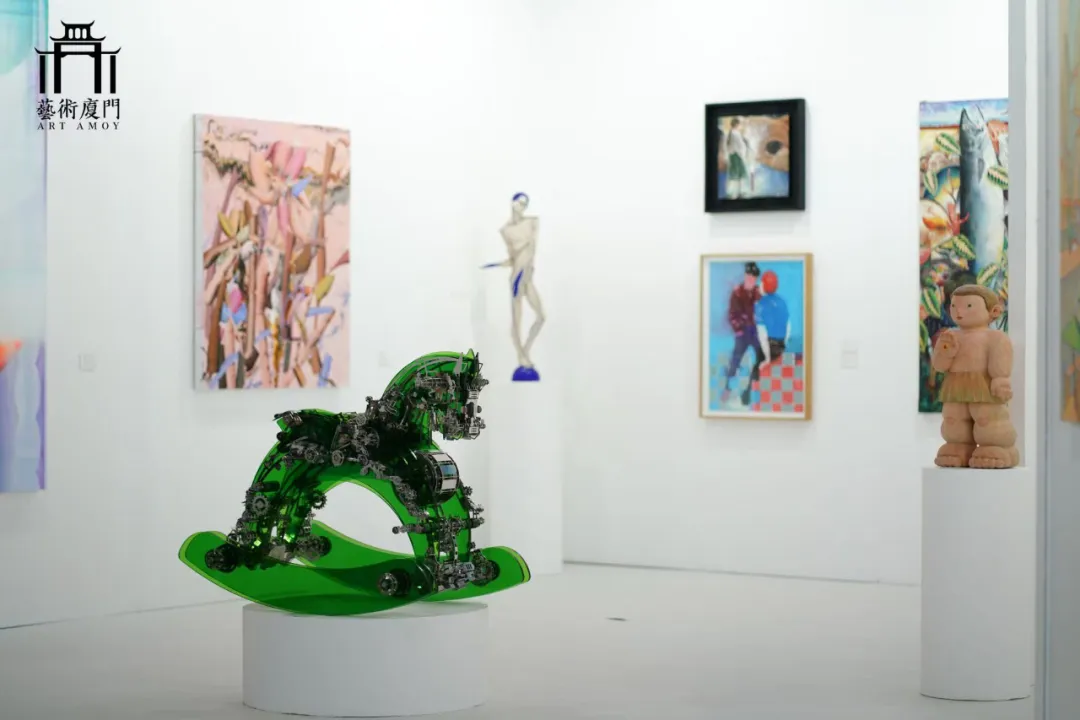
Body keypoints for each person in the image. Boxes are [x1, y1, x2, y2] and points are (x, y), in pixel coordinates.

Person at [481, 192, 545, 381]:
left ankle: (525, 350)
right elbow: (513, 258)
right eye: (519, 203)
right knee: (517, 320)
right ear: (512, 203)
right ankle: (522, 357)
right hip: (517, 277)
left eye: (525, 204)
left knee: (541, 317)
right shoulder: (506, 231)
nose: (522, 206)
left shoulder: (532, 222)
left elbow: (530, 252)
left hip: (528, 278)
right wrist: (497, 264)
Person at [721, 262, 764, 405]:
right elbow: (732, 315)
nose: (751, 280)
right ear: (745, 276)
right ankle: (727, 388)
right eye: (749, 276)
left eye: (754, 277)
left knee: (761, 357)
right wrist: (739, 329)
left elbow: (764, 312)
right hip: (742, 331)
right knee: (736, 359)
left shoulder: (758, 293)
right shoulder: (737, 292)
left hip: (755, 332)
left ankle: (750, 390)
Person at [755, 270, 790, 368]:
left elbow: (762, 334)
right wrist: (783, 344)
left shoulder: (761, 304)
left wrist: (767, 359)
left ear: (764, 285)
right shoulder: (782, 302)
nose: (759, 285)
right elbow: (788, 326)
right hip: (781, 345)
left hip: (769, 347)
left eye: (761, 283)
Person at [724, 117, 752, 198]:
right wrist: (744, 155)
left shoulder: (730, 133)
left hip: (733, 156)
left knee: (734, 175)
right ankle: (737, 192)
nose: (740, 126)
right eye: (739, 124)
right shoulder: (736, 133)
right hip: (737, 156)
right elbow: (740, 145)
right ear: (736, 124)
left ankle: (733, 192)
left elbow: (729, 146)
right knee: (738, 175)